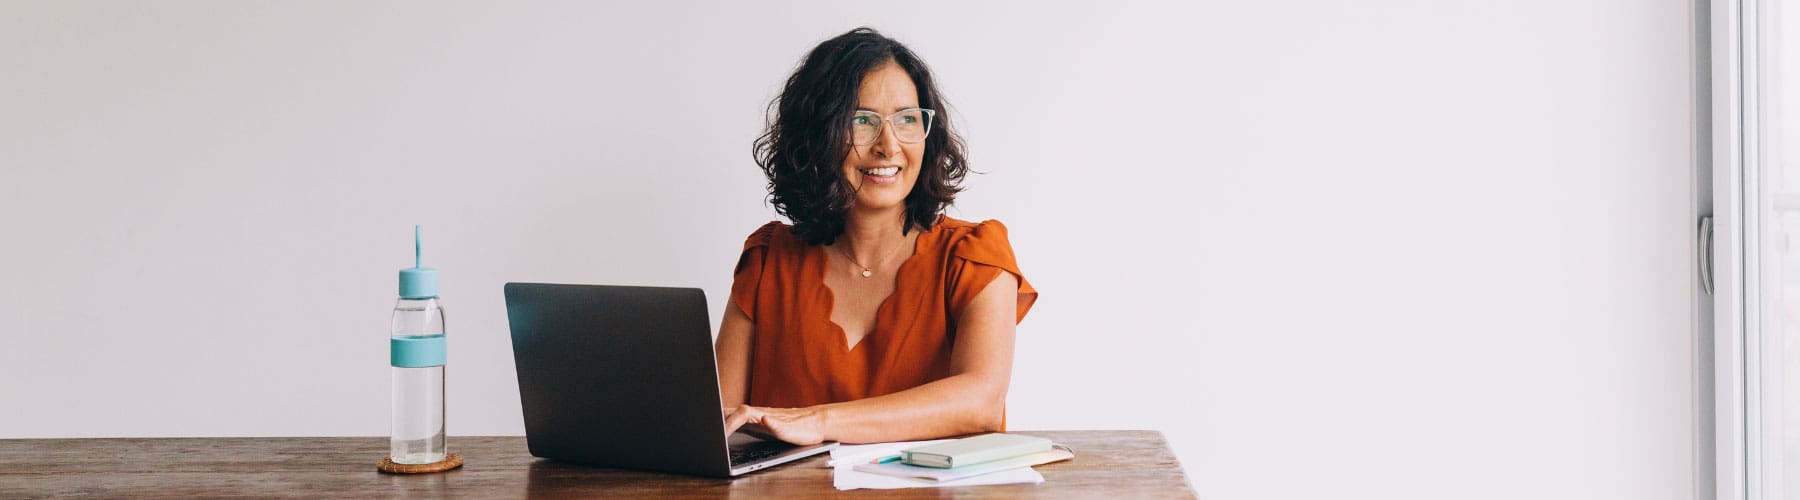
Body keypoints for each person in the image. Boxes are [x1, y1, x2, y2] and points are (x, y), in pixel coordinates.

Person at [717, 27, 1038, 445]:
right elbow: (718, 420)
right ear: (818, 135)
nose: (889, 146)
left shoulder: (974, 256)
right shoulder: (767, 261)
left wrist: (819, 422)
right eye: (862, 121)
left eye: (907, 119)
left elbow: (980, 402)